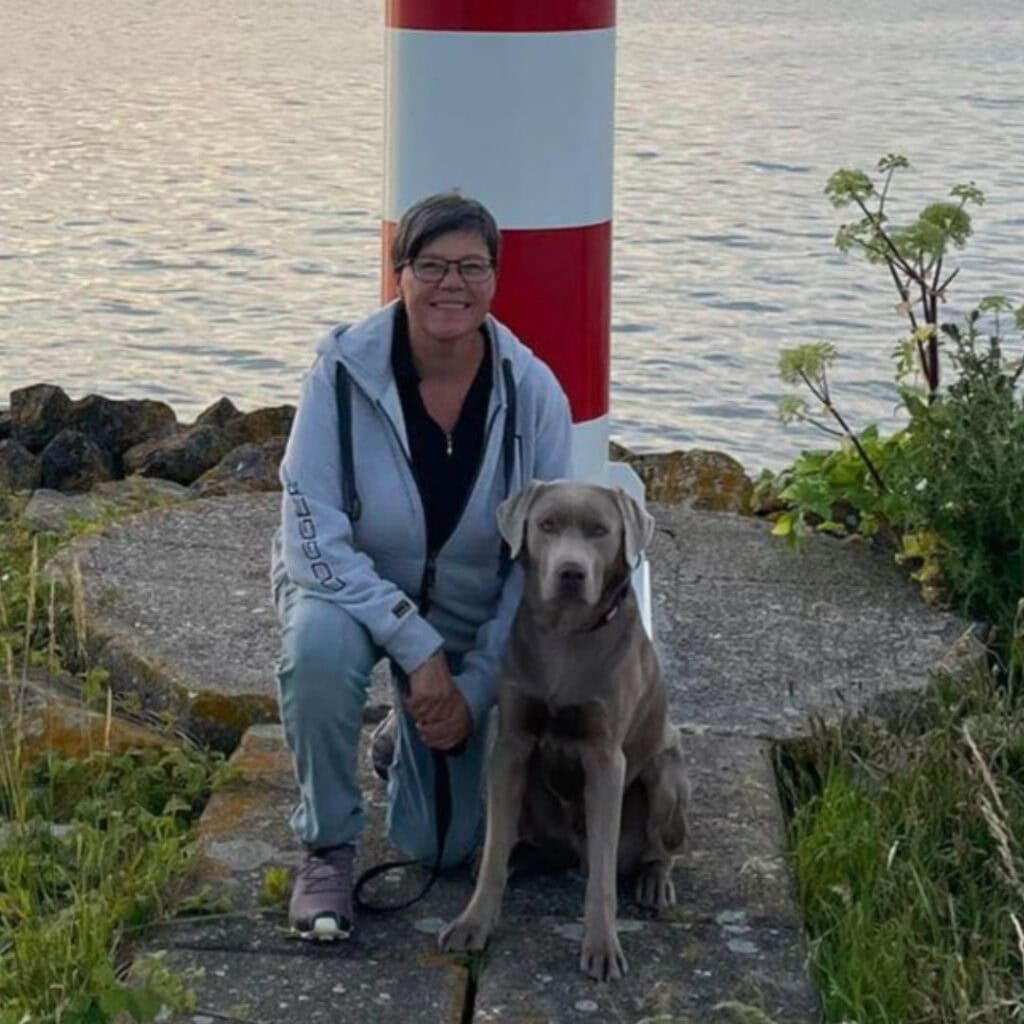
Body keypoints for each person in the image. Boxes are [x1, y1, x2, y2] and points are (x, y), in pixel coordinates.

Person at [270, 192, 573, 940]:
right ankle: (328, 846)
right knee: (316, 651)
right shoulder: (339, 373)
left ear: (496, 279)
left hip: (473, 611)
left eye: (471, 266)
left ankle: (403, 734)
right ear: (397, 272)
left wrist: (471, 685)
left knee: (441, 847)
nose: (451, 285)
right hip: (348, 592)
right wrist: (416, 646)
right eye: (431, 265)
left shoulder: (533, 392)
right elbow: (312, 536)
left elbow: (534, 568)